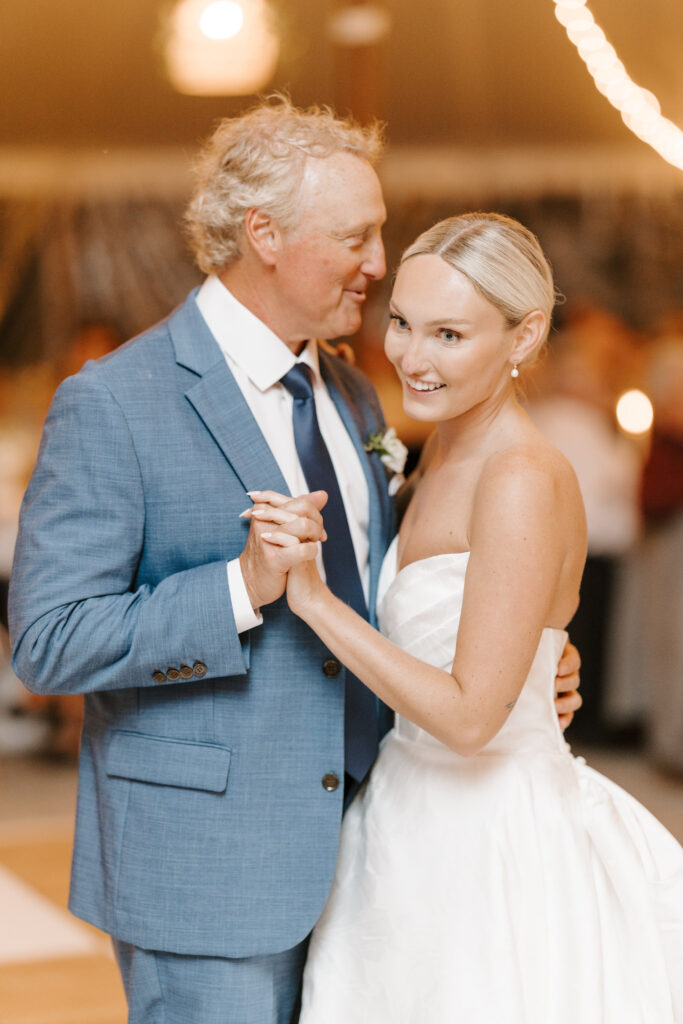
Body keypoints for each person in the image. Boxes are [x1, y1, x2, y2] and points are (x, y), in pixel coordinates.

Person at [8, 101, 581, 1024]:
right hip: (211, 872)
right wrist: (240, 587)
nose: (380, 262)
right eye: (356, 236)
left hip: (380, 854)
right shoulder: (115, 402)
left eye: (380, 232)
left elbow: (403, 578)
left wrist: (522, 656)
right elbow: (48, 640)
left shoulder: (353, 391)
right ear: (263, 235)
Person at [254, 213, 683, 1022]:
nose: (412, 358)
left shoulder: (518, 473)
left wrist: (312, 602)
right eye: (404, 323)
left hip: (488, 843)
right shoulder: (440, 450)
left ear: (522, 337)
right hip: (405, 819)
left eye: (448, 334)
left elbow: (470, 718)